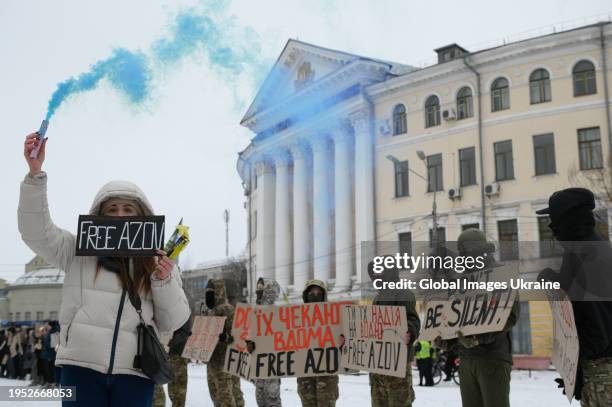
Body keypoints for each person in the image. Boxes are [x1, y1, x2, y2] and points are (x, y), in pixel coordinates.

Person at [19, 133, 191, 406]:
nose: (120, 215)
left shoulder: (157, 260)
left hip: (135, 372)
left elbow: (174, 320)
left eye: (128, 209)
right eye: (112, 209)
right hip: (79, 368)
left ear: (141, 215)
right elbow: (36, 233)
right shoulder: (77, 250)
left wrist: (163, 279)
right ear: (100, 214)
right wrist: (35, 174)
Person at [537, 188, 612, 405]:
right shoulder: (579, 250)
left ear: (567, 220)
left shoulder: (589, 256)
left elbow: (597, 331)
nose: (550, 227)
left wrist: (572, 362)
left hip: (603, 371)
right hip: (596, 369)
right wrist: (553, 280)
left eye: (553, 219)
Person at [438, 228, 519, 407]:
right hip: (467, 359)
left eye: (465, 253)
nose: (462, 258)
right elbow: (455, 318)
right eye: (461, 253)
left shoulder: (502, 275)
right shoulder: (462, 280)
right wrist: (447, 340)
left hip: (493, 358)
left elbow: (510, 316)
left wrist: (479, 338)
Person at [366, 257, 421, 405]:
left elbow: (413, 319)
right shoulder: (377, 298)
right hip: (377, 362)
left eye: (380, 270)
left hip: (398, 361)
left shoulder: (403, 293)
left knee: (399, 401)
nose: (377, 275)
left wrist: (409, 332)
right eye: (375, 272)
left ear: (389, 271)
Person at [202, 278, 244, 407]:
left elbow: (239, 336)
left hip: (226, 362)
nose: (208, 294)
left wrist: (224, 337)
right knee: (216, 394)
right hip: (212, 361)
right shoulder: (208, 312)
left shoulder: (228, 310)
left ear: (218, 292)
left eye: (211, 291)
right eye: (207, 291)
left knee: (227, 394)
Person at [297, 280, 339, 407]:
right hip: (305, 372)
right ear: (306, 295)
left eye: (318, 292)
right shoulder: (295, 316)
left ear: (323, 295)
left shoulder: (334, 315)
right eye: (311, 292)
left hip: (327, 373)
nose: (315, 295)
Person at [252, 278, 282, 407]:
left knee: (272, 401)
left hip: (272, 365)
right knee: (260, 400)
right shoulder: (254, 312)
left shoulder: (277, 314)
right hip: (258, 365)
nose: (258, 291)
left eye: (261, 289)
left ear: (268, 291)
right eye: (257, 288)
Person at [152, 311, 193, 407]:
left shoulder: (183, 305)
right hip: (158, 350)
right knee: (156, 387)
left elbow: (186, 330)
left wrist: (170, 341)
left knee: (178, 390)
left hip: (176, 352)